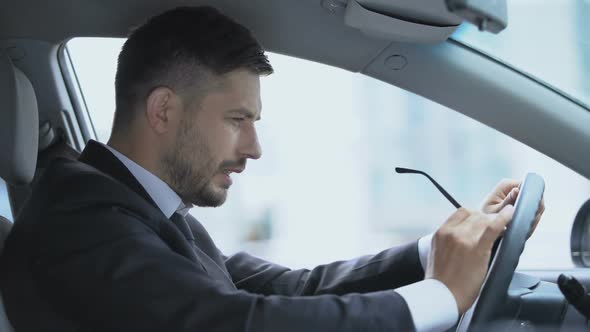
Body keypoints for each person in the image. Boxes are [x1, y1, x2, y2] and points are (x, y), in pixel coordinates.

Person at [0, 6, 545, 332]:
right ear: (164, 109)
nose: (255, 147)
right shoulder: (79, 221)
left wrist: (437, 249)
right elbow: (237, 325)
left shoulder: (142, 208)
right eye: (237, 119)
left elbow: (292, 288)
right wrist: (440, 297)